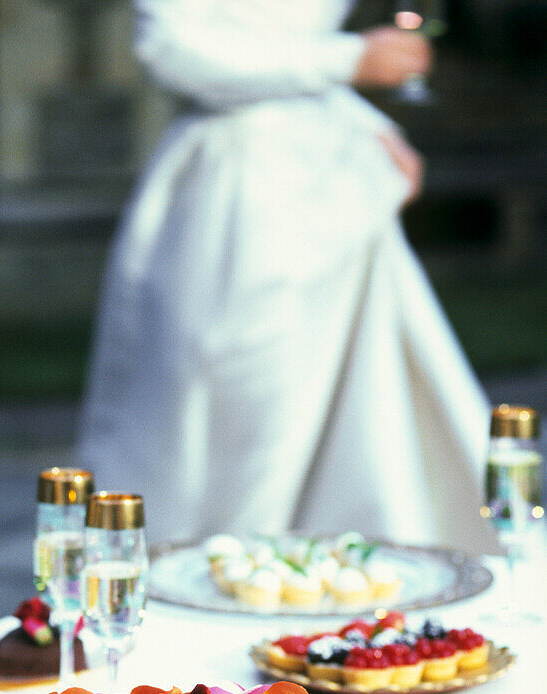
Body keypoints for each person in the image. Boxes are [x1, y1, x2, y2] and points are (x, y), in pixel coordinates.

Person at [81, 0, 497, 554]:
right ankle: (205, 582)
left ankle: (332, 592)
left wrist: (370, 123)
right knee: (238, 417)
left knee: (356, 410)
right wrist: (348, 59)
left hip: (336, 186)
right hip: (239, 199)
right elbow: (170, 49)